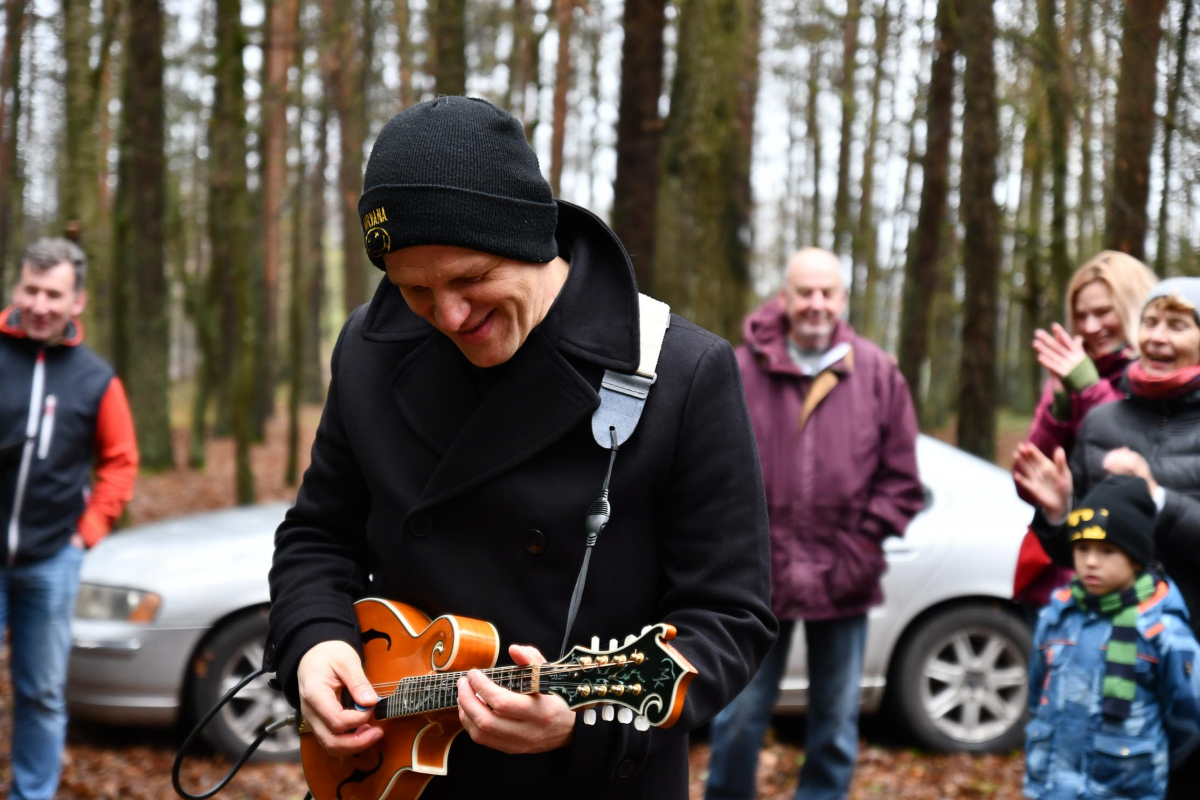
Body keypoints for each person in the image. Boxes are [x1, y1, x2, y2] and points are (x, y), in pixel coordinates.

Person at [265, 96, 777, 798]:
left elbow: (729, 618)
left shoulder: (681, 372)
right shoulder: (368, 346)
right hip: (395, 772)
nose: (448, 315)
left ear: (531, 237)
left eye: (471, 279)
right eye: (415, 289)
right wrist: (316, 640)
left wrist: (585, 720)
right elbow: (320, 535)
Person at [704, 248, 924, 800]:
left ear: (843, 300)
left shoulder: (876, 373)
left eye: (828, 292)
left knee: (835, 726)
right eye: (806, 292)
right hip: (759, 582)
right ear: (785, 296)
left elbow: (901, 480)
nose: (816, 304)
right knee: (737, 718)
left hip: (844, 578)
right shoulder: (738, 369)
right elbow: (709, 475)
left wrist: (860, 545)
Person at [1014, 277, 1200, 798]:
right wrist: (1058, 515)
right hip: (1108, 661)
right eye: (1151, 322)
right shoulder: (1102, 422)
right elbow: (1083, 549)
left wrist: (1156, 497)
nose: (1159, 337)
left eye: (1179, 325)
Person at [0, 238, 138, 800]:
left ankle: (31, 794)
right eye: (30, 290)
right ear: (16, 289)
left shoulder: (95, 379)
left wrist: (85, 535)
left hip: (51, 561)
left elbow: (121, 462)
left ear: (76, 301)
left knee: (41, 693)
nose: (39, 304)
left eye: (52, 294)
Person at [1023, 475, 1200, 800]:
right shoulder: (1058, 615)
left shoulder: (1163, 631)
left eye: (1107, 551)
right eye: (1082, 548)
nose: (1091, 561)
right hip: (1052, 788)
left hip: (1124, 789)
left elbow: (1187, 720)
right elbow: (1037, 695)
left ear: (1135, 558)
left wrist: (1146, 757)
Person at [1013, 252, 1157, 611]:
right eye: (1081, 315)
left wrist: (1089, 389)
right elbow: (1028, 481)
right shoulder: (1072, 373)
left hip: (1131, 575)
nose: (1091, 326)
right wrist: (1059, 409)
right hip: (1063, 570)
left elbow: (1137, 458)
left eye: (1103, 312)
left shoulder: (1157, 375)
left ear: (1134, 308)